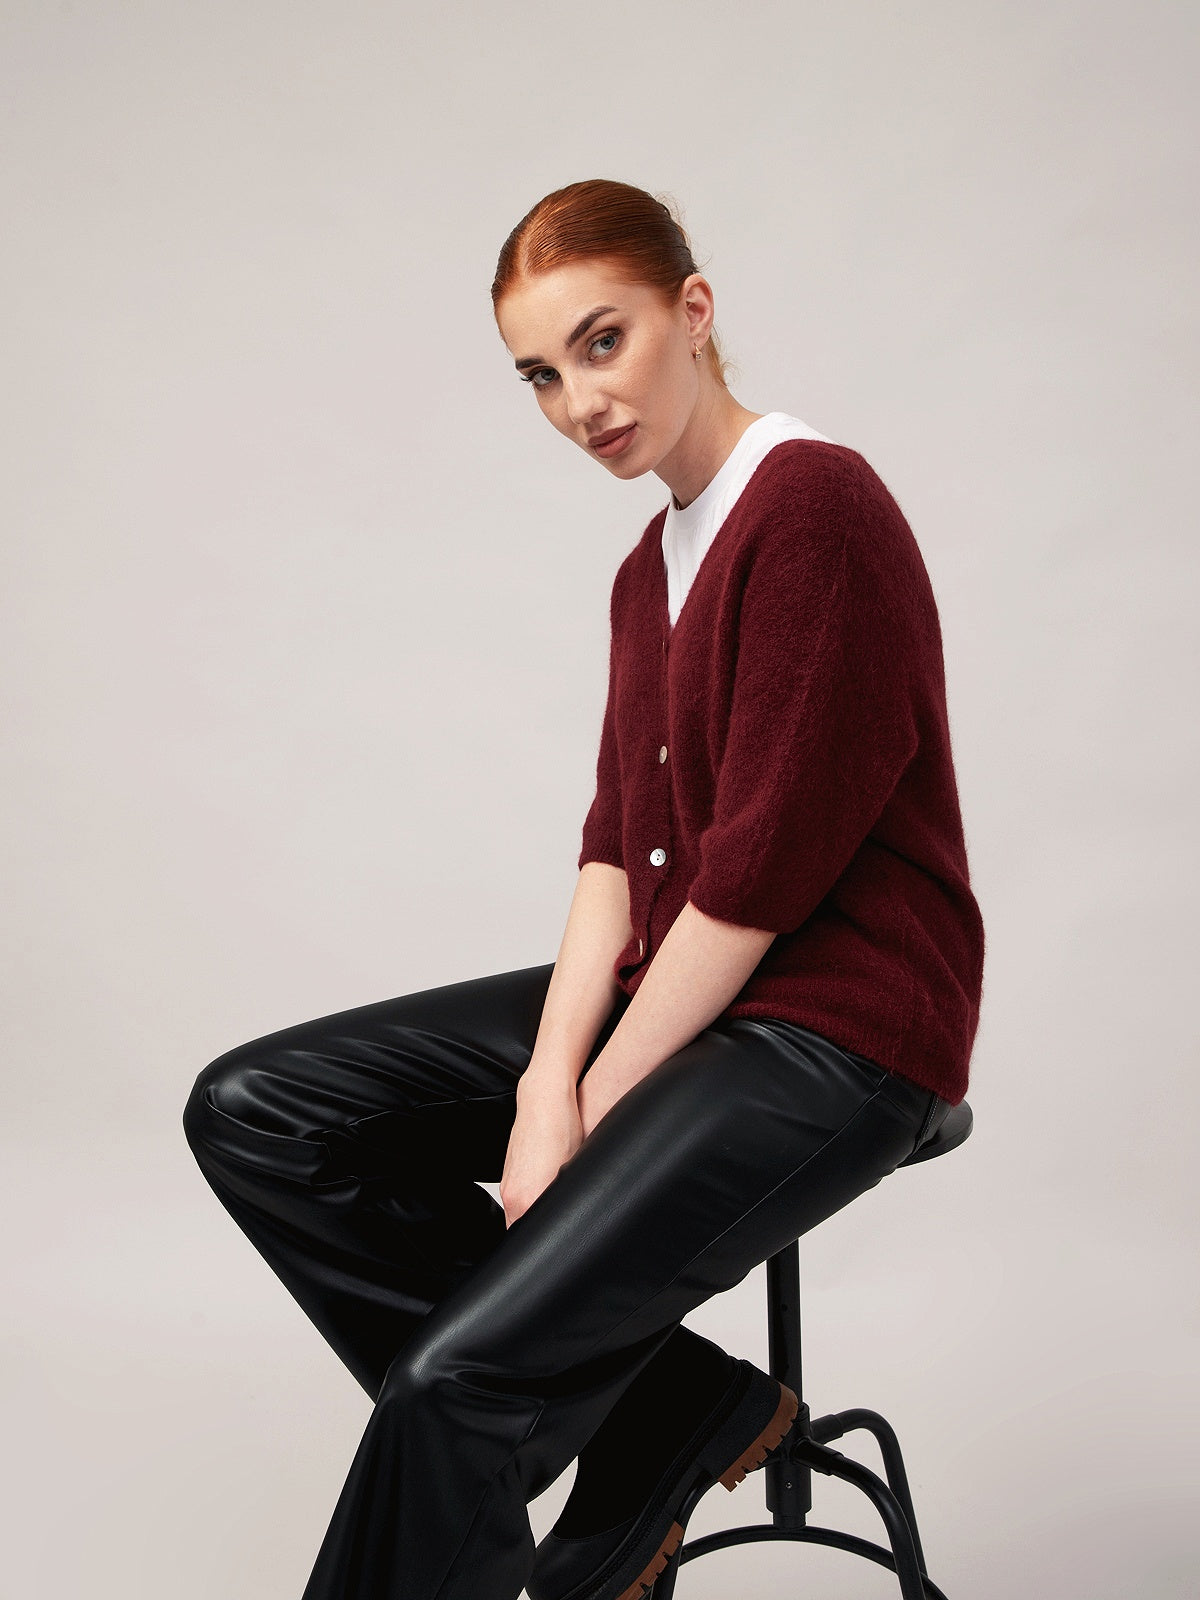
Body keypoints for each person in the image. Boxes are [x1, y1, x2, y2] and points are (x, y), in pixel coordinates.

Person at [182, 177, 986, 1600]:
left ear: (695, 310)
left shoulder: (815, 506)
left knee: (451, 1385)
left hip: (837, 1028)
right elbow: (616, 847)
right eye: (541, 376)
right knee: (260, 1113)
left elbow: (756, 882)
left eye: (602, 343)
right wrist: (548, 1087)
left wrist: (595, 1110)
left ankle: (607, 1413)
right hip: (684, 987)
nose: (578, 404)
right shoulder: (645, 571)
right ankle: (666, 1413)